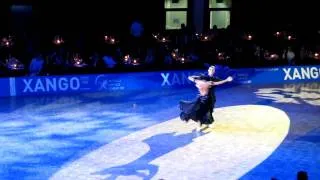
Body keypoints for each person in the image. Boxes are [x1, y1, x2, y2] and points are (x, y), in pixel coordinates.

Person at [179, 65, 233, 130]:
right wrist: (196, 77)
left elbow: (219, 82)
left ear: (214, 71)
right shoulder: (203, 77)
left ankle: (208, 123)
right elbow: (190, 78)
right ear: (208, 70)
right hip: (202, 98)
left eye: (213, 69)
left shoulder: (215, 78)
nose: (211, 70)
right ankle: (199, 125)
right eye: (210, 69)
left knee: (209, 111)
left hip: (211, 98)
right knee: (199, 111)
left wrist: (227, 80)